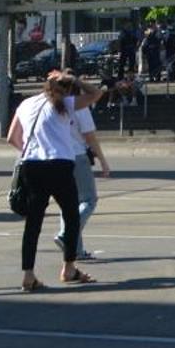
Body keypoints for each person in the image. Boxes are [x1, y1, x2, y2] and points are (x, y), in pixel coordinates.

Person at [5, 73, 102, 292]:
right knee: (71, 216)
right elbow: (96, 93)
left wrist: (33, 150)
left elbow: (12, 137)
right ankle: (69, 268)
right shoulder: (65, 102)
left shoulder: (26, 104)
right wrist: (75, 79)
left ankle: (28, 275)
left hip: (31, 165)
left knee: (33, 224)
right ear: (66, 89)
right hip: (60, 165)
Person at [56, 88, 111, 262]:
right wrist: (103, 160)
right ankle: (67, 234)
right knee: (88, 200)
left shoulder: (52, 106)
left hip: (57, 157)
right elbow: (90, 137)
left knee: (67, 204)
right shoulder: (79, 107)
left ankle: (75, 250)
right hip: (77, 156)